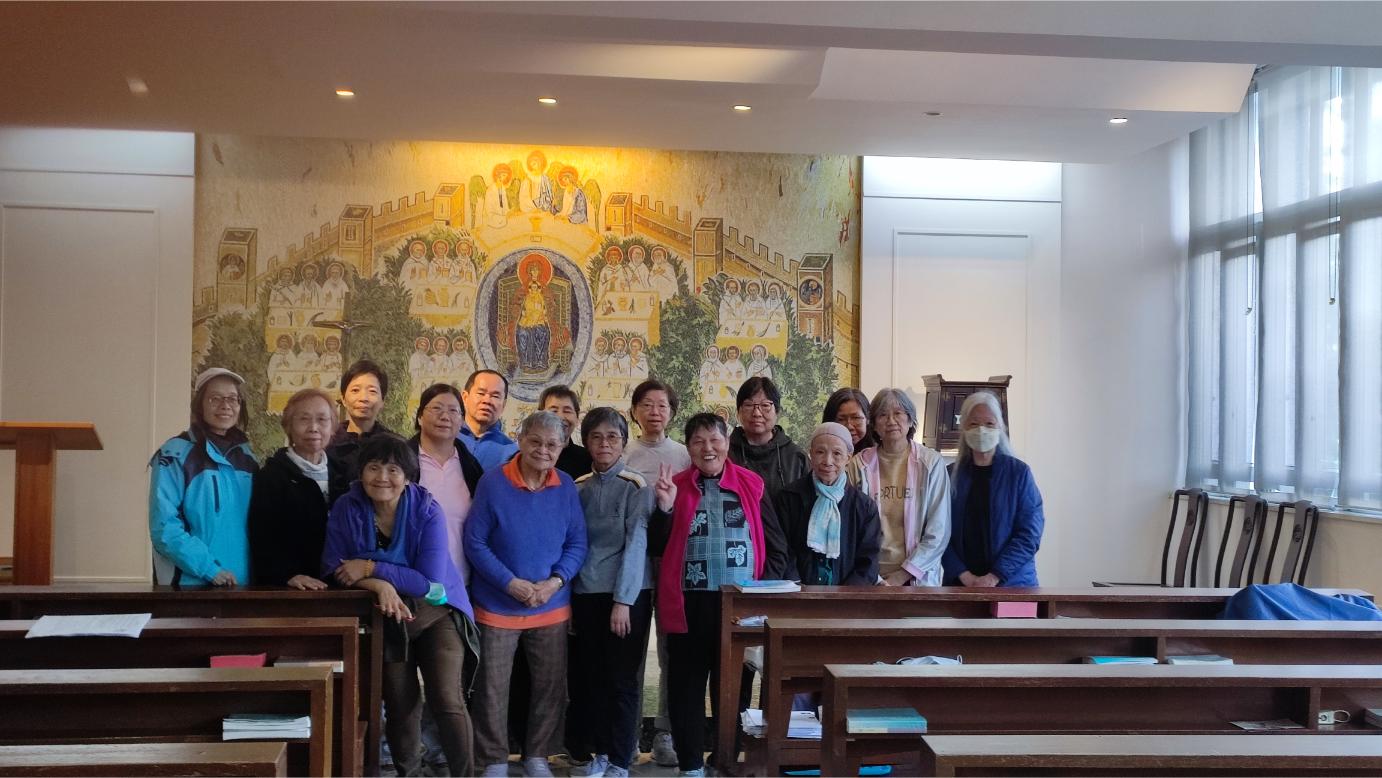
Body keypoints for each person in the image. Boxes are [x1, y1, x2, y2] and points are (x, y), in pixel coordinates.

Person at [322, 433, 478, 777]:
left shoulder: (427, 510)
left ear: (408, 476)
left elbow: (428, 581)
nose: (382, 477)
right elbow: (334, 566)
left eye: (393, 470)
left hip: (437, 611)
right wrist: (379, 586)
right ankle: (409, 774)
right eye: (374, 467)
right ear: (361, 472)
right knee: (400, 703)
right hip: (386, 615)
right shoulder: (347, 507)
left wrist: (370, 568)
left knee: (446, 699)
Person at [648, 413, 786, 777]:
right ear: (688, 448)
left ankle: (723, 762)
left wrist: (759, 598)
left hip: (738, 605)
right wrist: (664, 508)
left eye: (715, 440)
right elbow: (656, 546)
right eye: (698, 441)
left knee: (732, 690)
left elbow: (776, 547)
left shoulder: (752, 484)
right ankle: (691, 764)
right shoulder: (676, 486)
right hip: (688, 603)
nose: (708, 448)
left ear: (727, 443)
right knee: (686, 688)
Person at [464, 412, 588, 778]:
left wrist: (555, 582)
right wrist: (510, 583)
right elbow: (475, 542)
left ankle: (538, 756)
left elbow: (577, 543)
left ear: (562, 447)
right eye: (535, 441)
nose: (543, 450)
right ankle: (494, 759)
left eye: (552, 444)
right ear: (520, 439)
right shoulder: (492, 482)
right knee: (491, 687)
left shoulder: (566, 485)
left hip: (551, 604)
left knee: (550, 687)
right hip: (497, 604)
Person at [568, 407, 653, 778]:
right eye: (596, 437)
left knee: (621, 680)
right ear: (586, 442)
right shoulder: (578, 486)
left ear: (623, 442)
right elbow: (572, 544)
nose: (604, 444)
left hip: (627, 596)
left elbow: (637, 544)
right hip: (586, 593)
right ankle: (600, 753)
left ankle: (620, 759)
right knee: (593, 679)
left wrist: (623, 601)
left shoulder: (636, 485)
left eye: (613, 437)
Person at [623, 378, 690, 768]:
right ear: (634, 411)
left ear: (672, 412)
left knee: (670, 653)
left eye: (662, 405)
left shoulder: (683, 454)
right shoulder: (623, 452)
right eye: (646, 404)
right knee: (629, 653)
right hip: (630, 565)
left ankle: (665, 733)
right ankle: (628, 734)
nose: (654, 412)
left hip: (670, 563)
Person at [149, 367, 257, 587]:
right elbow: (164, 527)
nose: (225, 405)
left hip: (243, 585)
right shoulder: (175, 453)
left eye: (232, 398)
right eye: (215, 398)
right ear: (199, 404)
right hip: (191, 585)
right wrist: (209, 569)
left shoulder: (247, 457)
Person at [846, 388, 951, 586]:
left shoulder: (931, 463)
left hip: (919, 579)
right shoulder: (858, 465)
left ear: (910, 420)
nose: (891, 421)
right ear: (874, 424)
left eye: (898, 413)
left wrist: (903, 575)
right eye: (882, 415)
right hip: (869, 577)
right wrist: (874, 577)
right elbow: (849, 528)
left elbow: (939, 530)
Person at [942, 392, 1044, 587]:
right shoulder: (949, 475)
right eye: (974, 424)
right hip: (960, 586)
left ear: (1000, 427)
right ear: (963, 428)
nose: (981, 430)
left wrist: (994, 576)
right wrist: (963, 575)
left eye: (989, 423)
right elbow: (938, 531)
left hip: (1013, 585)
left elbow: (1029, 533)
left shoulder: (1019, 474)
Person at [249, 388, 338, 589]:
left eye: (322, 419)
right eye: (304, 419)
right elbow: (261, 537)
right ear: (288, 426)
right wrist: (287, 575)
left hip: (340, 587)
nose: (313, 428)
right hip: (292, 589)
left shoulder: (343, 474)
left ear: (333, 427)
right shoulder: (271, 477)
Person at [773, 422, 881, 585]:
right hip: (797, 593)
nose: (827, 461)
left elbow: (868, 562)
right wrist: (796, 586)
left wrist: (844, 596)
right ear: (810, 454)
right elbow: (782, 549)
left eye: (837, 453)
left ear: (848, 458)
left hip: (846, 597)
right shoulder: (788, 498)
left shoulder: (864, 507)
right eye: (820, 452)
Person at [411, 383, 484, 581]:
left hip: (462, 581)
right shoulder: (403, 464)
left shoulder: (471, 468)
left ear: (461, 420)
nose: (445, 416)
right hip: (413, 581)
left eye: (453, 411)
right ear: (420, 417)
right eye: (436, 408)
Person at [327, 359, 395, 503]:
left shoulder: (394, 445)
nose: (363, 398)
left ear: (382, 401)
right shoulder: (327, 441)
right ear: (343, 399)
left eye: (372, 391)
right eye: (355, 390)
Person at [728, 376, 809, 496]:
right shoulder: (726, 454)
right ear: (738, 412)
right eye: (749, 405)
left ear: (777, 412)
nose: (757, 413)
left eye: (765, 405)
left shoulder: (796, 457)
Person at [459, 369, 519, 470]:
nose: (487, 401)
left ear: (503, 405)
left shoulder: (512, 452)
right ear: (465, 397)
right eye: (481, 393)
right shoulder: (445, 438)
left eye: (495, 396)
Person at [539, 384, 592, 478]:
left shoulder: (589, 460)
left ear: (577, 417)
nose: (560, 417)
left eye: (567, 411)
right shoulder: (527, 457)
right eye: (553, 411)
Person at [823, 387, 875, 452]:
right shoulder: (820, 455)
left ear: (868, 418)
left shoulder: (879, 454)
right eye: (841, 419)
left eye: (856, 418)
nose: (849, 426)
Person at [520, 149, 555, 214]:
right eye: (533, 164)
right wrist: (534, 208)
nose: (536, 165)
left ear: (541, 163)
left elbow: (550, 196)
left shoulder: (545, 179)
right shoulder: (527, 180)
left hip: (545, 210)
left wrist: (545, 207)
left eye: (537, 162)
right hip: (530, 209)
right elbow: (523, 198)